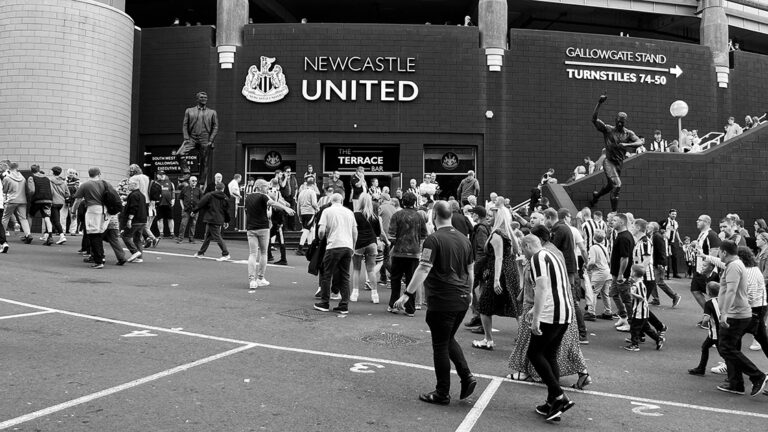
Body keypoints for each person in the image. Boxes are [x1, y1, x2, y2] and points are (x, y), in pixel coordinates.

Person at [393, 201, 476, 405]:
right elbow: (470, 270)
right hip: (462, 298)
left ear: (434, 216)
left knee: (440, 344)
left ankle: (442, 392)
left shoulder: (433, 239)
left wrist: (407, 294)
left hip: (442, 299)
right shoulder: (465, 240)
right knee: (448, 339)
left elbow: (423, 268)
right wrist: (470, 294)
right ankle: (466, 377)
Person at [520, 234, 576, 422]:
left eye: (522, 249)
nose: (523, 254)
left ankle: (559, 396)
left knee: (534, 353)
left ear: (528, 246)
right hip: (564, 312)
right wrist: (536, 310)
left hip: (551, 314)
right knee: (550, 354)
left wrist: (536, 317)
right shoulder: (552, 255)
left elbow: (542, 288)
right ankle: (553, 401)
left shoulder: (537, 258)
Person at [714, 240, 767, 396]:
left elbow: (731, 291)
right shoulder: (735, 265)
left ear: (724, 252)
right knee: (730, 347)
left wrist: (724, 314)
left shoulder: (734, 266)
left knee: (726, 347)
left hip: (737, 314)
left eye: (719, 252)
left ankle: (757, 376)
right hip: (742, 312)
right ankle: (736, 383)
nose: (718, 255)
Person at [471, 203, 521, 350]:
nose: (487, 218)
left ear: (499, 218)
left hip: (500, 273)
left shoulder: (497, 235)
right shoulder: (508, 233)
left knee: (484, 306)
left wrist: (496, 279)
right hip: (512, 272)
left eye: (491, 216)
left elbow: (498, 258)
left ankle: (488, 340)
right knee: (515, 305)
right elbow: (516, 250)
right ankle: (527, 337)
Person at [588, 94, 643, 211]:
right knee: (617, 185)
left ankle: (596, 196)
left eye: (622, 122)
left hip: (619, 164)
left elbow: (639, 142)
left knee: (610, 186)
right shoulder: (608, 129)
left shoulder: (628, 133)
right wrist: (599, 103)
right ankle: (614, 213)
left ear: (624, 122)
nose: (619, 124)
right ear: (615, 120)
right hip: (609, 161)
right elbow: (594, 120)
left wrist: (627, 144)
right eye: (618, 121)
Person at [244, 179, 295, 289]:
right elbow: (273, 203)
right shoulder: (263, 196)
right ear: (260, 187)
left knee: (252, 254)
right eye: (266, 187)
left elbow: (246, 211)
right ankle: (260, 278)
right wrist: (286, 208)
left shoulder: (248, 197)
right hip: (263, 227)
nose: (267, 189)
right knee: (263, 253)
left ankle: (251, 280)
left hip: (251, 228)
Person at [314, 193, 357, 314]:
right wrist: (353, 246)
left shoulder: (327, 211)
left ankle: (324, 302)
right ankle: (344, 305)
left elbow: (321, 230)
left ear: (331, 201)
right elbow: (355, 231)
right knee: (345, 275)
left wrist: (322, 238)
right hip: (347, 246)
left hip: (333, 245)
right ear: (342, 201)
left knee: (327, 274)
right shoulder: (349, 212)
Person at [388, 192, 428, 317]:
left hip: (399, 252)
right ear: (414, 202)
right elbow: (424, 234)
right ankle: (410, 309)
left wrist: (397, 242)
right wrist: (418, 245)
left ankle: (393, 306)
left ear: (402, 202)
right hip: (414, 253)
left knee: (395, 280)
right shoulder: (419, 216)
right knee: (411, 280)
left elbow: (391, 234)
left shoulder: (397, 215)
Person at [72, 168, 115, 269]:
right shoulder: (106, 183)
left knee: (93, 234)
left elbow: (77, 200)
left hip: (92, 210)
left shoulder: (85, 185)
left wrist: (73, 211)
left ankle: (98, 260)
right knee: (99, 233)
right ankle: (101, 256)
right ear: (99, 174)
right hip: (105, 210)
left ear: (89, 174)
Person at [350, 193, 386, 304]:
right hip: (372, 243)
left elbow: (352, 230)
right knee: (371, 270)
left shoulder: (355, 215)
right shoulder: (374, 217)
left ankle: (355, 293)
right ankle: (375, 295)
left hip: (359, 243)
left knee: (356, 269)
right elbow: (378, 233)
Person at [177, 91, 218, 184]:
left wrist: (211, 140)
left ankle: (202, 182)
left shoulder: (212, 112)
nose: (204, 99)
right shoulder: (189, 111)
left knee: (205, 162)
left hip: (205, 138)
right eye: (202, 97)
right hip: (192, 137)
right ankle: (187, 173)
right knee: (179, 154)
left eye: (205, 97)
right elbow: (185, 125)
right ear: (197, 99)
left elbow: (215, 127)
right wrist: (186, 138)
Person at [624, 264, 664, 351]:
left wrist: (632, 293)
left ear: (634, 273)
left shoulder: (639, 285)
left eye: (631, 271)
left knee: (634, 327)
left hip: (639, 311)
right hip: (642, 311)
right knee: (646, 328)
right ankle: (658, 339)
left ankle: (635, 344)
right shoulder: (638, 283)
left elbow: (642, 297)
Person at [689, 282, 722, 375]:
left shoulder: (709, 303)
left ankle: (734, 369)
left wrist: (703, 322)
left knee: (723, 352)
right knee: (705, 347)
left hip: (715, 332)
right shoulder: (723, 300)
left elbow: (706, 318)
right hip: (722, 330)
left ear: (708, 292)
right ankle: (701, 368)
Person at [192, 182, 231, 261]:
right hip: (219, 219)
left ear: (215, 188)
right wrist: (227, 221)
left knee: (217, 237)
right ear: (223, 189)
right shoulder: (225, 198)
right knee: (208, 237)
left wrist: (194, 211)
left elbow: (201, 203)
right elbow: (226, 211)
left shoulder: (209, 195)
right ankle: (201, 252)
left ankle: (226, 253)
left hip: (211, 218)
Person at [691, 215, 722, 312]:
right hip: (699, 269)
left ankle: (714, 317)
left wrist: (706, 268)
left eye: (699, 220)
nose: (697, 221)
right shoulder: (702, 234)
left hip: (707, 271)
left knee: (713, 295)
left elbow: (714, 251)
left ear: (707, 222)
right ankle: (710, 315)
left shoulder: (711, 234)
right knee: (695, 290)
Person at [610, 213, 634, 332]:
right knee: (614, 294)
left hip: (621, 275)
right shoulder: (621, 235)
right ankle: (623, 317)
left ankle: (631, 323)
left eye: (614, 220)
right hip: (616, 274)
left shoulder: (624, 237)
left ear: (622, 223)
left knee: (626, 299)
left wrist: (620, 274)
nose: (611, 222)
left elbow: (625, 258)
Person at [585, 229, 612, 320]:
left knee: (593, 292)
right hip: (607, 272)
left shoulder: (593, 248)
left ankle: (591, 312)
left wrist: (588, 267)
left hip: (599, 272)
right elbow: (608, 260)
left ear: (593, 238)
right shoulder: (604, 247)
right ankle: (608, 311)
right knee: (605, 293)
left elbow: (592, 261)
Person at [2, 163, 31, 244]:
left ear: (9, 168)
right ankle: (28, 234)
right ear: (17, 168)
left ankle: (2, 235)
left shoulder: (7, 178)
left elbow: (4, 190)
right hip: (22, 200)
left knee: (5, 217)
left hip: (11, 200)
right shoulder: (23, 178)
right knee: (23, 218)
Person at [26, 164, 55, 246]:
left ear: (31, 170)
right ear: (39, 170)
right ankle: (50, 236)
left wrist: (30, 196)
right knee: (47, 217)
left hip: (37, 200)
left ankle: (28, 234)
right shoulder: (47, 178)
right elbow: (52, 190)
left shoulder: (31, 178)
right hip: (48, 200)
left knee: (30, 215)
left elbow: (32, 190)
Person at [121, 178, 147, 263]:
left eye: (130, 184)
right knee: (137, 239)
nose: (128, 186)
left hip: (135, 220)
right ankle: (139, 257)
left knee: (126, 236)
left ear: (134, 185)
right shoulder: (142, 195)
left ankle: (135, 252)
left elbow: (133, 208)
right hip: (142, 220)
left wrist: (129, 219)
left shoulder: (133, 195)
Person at [296, 177, 319, 255]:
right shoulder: (312, 192)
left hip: (303, 213)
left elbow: (298, 204)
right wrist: (318, 209)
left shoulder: (301, 192)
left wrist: (299, 215)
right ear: (313, 185)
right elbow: (314, 204)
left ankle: (310, 248)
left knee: (310, 230)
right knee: (306, 230)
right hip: (310, 212)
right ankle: (300, 248)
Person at [48, 166, 70, 245]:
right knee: (52, 218)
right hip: (61, 203)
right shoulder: (63, 182)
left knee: (55, 220)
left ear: (53, 172)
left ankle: (62, 235)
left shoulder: (50, 180)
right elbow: (67, 193)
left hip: (53, 202)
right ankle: (47, 234)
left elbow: (50, 191)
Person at [178, 176, 202, 243]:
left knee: (193, 224)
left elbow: (201, 200)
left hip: (195, 210)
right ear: (189, 181)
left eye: (196, 181)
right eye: (193, 181)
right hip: (186, 210)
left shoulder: (199, 190)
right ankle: (180, 238)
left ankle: (191, 239)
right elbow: (180, 199)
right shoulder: (185, 189)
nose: (194, 182)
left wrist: (197, 209)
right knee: (183, 224)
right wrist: (182, 207)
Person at [154, 171, 175, 239]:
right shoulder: (155, 183)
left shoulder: (170, 182)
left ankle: (172, 233)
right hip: (159, 203)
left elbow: (173, 191)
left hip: (168, 203)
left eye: (162, 174)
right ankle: (161, 233)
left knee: (170, 218)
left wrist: (173, 199)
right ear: (157, 175)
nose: (161, 176)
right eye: (160, 175)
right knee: (160, 219)